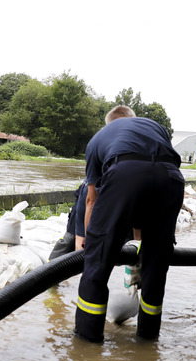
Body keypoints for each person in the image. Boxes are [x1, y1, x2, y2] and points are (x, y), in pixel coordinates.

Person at [74, 106, 185, 343]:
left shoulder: (98, 139)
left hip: (126, 173)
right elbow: (155, 174)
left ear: (109, 124)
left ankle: (87, 341)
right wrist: (141, 243)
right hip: (171, 179)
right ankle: (147, 337)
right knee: (156, 262)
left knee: (98, 261)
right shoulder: (153, 126)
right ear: (132, 120)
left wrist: (89, 241)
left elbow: (91, 199)